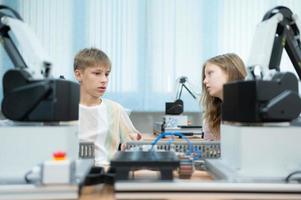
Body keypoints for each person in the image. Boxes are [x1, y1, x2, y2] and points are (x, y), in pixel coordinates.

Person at [74, 47, 142, 166]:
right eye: (97, 73)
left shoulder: (115, 109)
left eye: (107, 74)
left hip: (107, 173)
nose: (104, 80)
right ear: (79, 75)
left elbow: (133, 141)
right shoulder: (64, 110)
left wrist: (131, 142)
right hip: (73, 173)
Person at [201, 53, 247, 140]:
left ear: (230, 72)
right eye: (205, 76)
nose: (205, 81)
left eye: (210, 73)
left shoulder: (248, 111)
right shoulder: (213, 115)